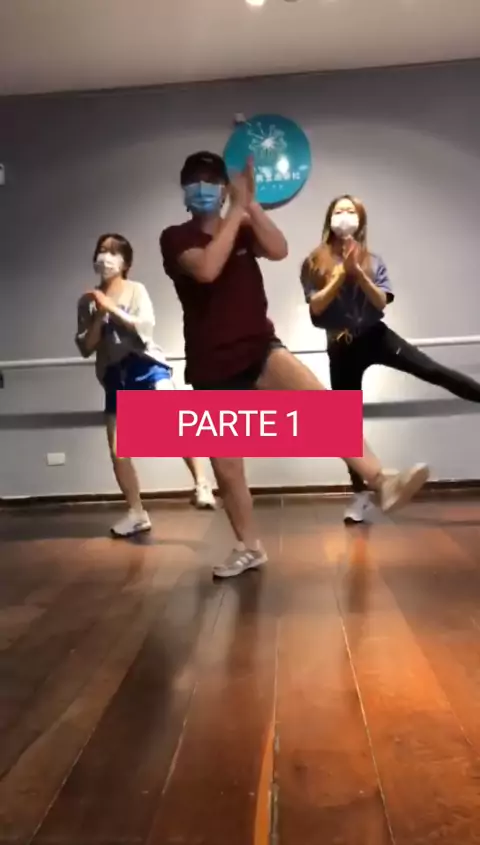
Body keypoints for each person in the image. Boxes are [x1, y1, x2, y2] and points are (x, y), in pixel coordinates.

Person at [159, 153, 429, 579]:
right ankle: (249, 548)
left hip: (260, 348)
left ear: (224, 187)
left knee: (323, 409)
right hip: (212, 365)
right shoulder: (175, 237)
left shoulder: (243, 226)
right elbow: (207, 269)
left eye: (211, 179)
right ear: (184, 190)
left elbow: (279, 249)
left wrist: (250, 204)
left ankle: (382, 481)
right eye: (195, 180)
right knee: (228, 470)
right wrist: (236, 209)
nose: (203, 186)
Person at [301, 194, 480, 524]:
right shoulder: (314, 262)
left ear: (361, 221)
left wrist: (358, 273)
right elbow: (316, 308)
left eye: (351, 211)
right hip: (341, 346)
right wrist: (340, 275)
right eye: (339, 211)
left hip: (376, 336)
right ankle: (360, 496)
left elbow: (381, 302)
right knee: (344, 423)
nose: (344, 216)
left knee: (433, 370)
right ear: (329, 219)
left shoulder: (373, 260)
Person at [75, 233, 215, 537]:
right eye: (102, 251)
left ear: (126, 262)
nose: (106, 258)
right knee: (118, 450)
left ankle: (202, 484)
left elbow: (144, 328)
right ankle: (136, 513)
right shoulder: (87, 302)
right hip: (115, 375)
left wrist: (111, 308)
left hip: (145, 365)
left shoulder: (136, 290)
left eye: (114, 252)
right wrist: (99, 313)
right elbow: (86, 346)